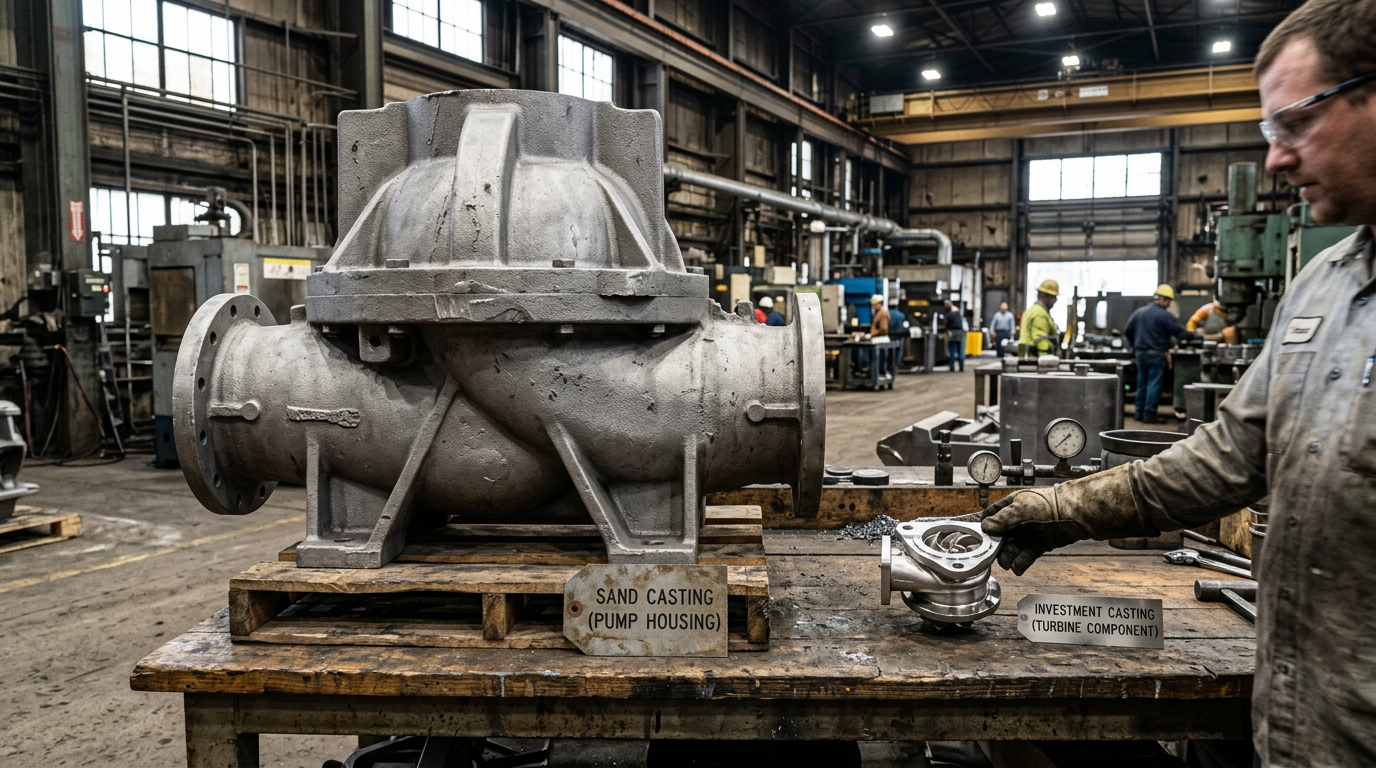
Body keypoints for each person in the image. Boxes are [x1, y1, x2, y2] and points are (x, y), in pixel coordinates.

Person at [981, 4, 1376, 762]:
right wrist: (1064, 508)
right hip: (1299, 729)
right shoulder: (1323, 283)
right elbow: (1228, 457)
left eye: (1296, 122)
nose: (1275, 159)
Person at [1123, 284, 1202, 423]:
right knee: (1154, 384)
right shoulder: (1165, 315)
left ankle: (1139, 413)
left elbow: (1128, 331)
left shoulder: (1139, 312)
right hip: (1156, 354)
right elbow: (1178, 333)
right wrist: (1196, 336)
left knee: (1141, 384)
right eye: (1169, 301)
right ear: (1165, 300)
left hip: (1140, 354)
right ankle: (1149, 415)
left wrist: (1135, 345)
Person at [1018, 279, 1060, 357]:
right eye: (1054, 297)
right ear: (1047, 297)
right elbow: (1041, 340)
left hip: (1025, 358)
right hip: (1035, 359)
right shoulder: (1040, 314)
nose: (1055, 301)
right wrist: (1046, 362)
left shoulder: (1030, 310)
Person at [944, 300, 966, 372]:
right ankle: (961, 367)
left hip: (952, 333)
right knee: (961, 351)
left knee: (952, 351)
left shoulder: (949, 314)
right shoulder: (958, 313)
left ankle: (952, 367)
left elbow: (946, 324)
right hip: (960, 332)